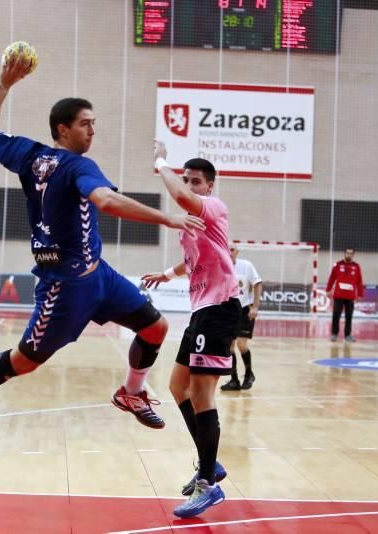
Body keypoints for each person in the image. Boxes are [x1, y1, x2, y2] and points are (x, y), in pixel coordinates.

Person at [0, 50, 206, 436]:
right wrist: (166, 217)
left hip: (98, 276)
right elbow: (105, 200)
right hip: (63, 287)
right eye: (85, 124)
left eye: (94, 124)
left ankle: (131, 392)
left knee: (155, 328)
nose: (92, 130)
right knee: (26, 360)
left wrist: (4, 87)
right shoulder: (77, 166)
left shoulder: (31, 155)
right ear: (62, 129)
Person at [142, 141, 240, 518]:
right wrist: (164, 275)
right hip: (201, 310)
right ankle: (208, 462)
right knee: (176, 386)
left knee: (202, 395)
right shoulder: (190, 226)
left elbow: (181, 197)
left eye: (195, 181)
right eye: (187, 180)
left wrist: (162, 163)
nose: (189, 185)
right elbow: (190, 262)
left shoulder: (213, 207)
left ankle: (208, 484)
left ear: (209, 186)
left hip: (220, 308)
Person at [221, 243, 262, 391]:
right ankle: (234, 380)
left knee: (241, 344)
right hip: (228, 311)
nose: (229, 252)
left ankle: (249, 374)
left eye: (232, 250)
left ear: (237, 252)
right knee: (229, 346)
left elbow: (257, 284)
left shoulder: (246, 266)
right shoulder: (220, 267)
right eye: (227, 250)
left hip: (245, 309)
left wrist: (255, 306)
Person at [326, 247, 364, 342]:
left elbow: (359, 282)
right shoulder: (337, 265)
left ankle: (348, 335)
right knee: (336, 315)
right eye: (347, 253)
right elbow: (332, 278)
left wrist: (360, 294)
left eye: (351, 253)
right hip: (338, 296)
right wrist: (328, 290)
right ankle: (334, 334)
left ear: (353, 255)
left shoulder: (356, 266)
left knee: (349, 316)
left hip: (350, 297)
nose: (349, 255)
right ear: (344, 254)